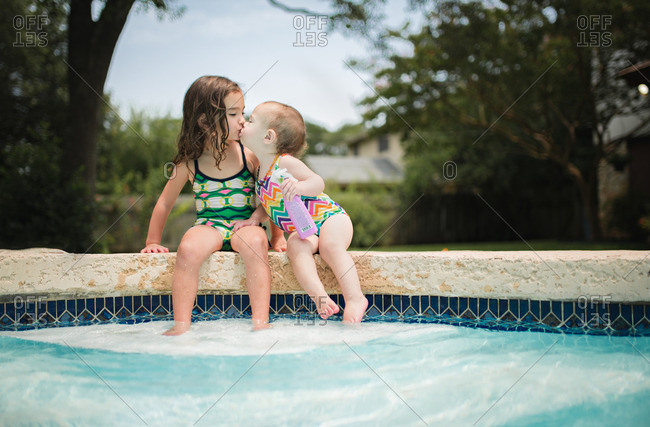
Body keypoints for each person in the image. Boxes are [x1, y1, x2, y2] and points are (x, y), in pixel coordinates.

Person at [141, 76, 286, 335]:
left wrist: (277, 237)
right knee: (187, 249)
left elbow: (269, 195)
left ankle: (260, 322)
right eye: (233, 113)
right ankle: (181, 324)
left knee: (255, 243)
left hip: (246, 223)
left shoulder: (248, 155)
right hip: (210, 225)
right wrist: (153, 240)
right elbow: (164, 203)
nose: (243, 119)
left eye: (243, 111)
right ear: (205, 121)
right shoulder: (190, 163)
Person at [234, 101, 367, 323]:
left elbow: (318, 182)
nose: (244, 123)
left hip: (330, 219)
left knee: (329, 247)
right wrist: (255, 218)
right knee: (294, 247)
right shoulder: (260, 171)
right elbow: (268, 203)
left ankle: (355, 299)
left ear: (268, 137)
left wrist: (299, 187)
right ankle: (320, 298)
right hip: (305, 230)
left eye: (250, 121)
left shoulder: (284, 162)